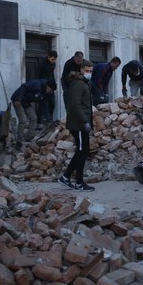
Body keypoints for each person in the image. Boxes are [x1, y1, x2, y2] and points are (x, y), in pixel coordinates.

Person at [59, 59, 96, 191]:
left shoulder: (84, 83)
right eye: (87, 71)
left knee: (82, 151)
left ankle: (66, 177)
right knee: (82, 151)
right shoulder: (78, 84)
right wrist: (85, 121)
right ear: (81, 70)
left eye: (91, 71)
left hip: (81, 123)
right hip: (78, 124)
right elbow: (75, 105)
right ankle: (79, 183)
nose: (89, 73)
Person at [36, 50, 58, 124]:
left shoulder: (53, 64)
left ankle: (49, 119)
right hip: (42, 86)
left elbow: (51, 75)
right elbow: (38, 75)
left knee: (52, 103)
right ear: (48, 57)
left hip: (50, 85)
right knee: (42, 105)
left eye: (55, 59)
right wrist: (43, 86)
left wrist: (53, 86)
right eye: (52, 59)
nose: (53, 61)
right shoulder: (42, 63)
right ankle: (39, 122)